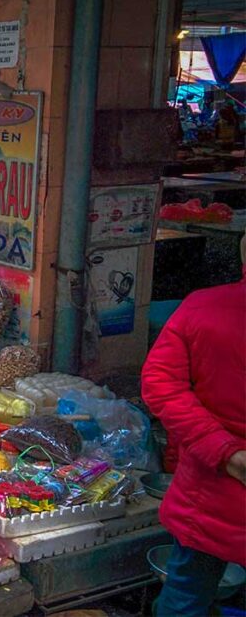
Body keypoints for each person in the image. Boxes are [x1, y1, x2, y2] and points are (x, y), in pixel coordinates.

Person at [142, 236, 245, 617]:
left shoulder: (203, 306)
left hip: (210, 493)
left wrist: (224, 451)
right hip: (212, 493)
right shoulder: (205, 308)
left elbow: (159, 383)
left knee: (184, 600)